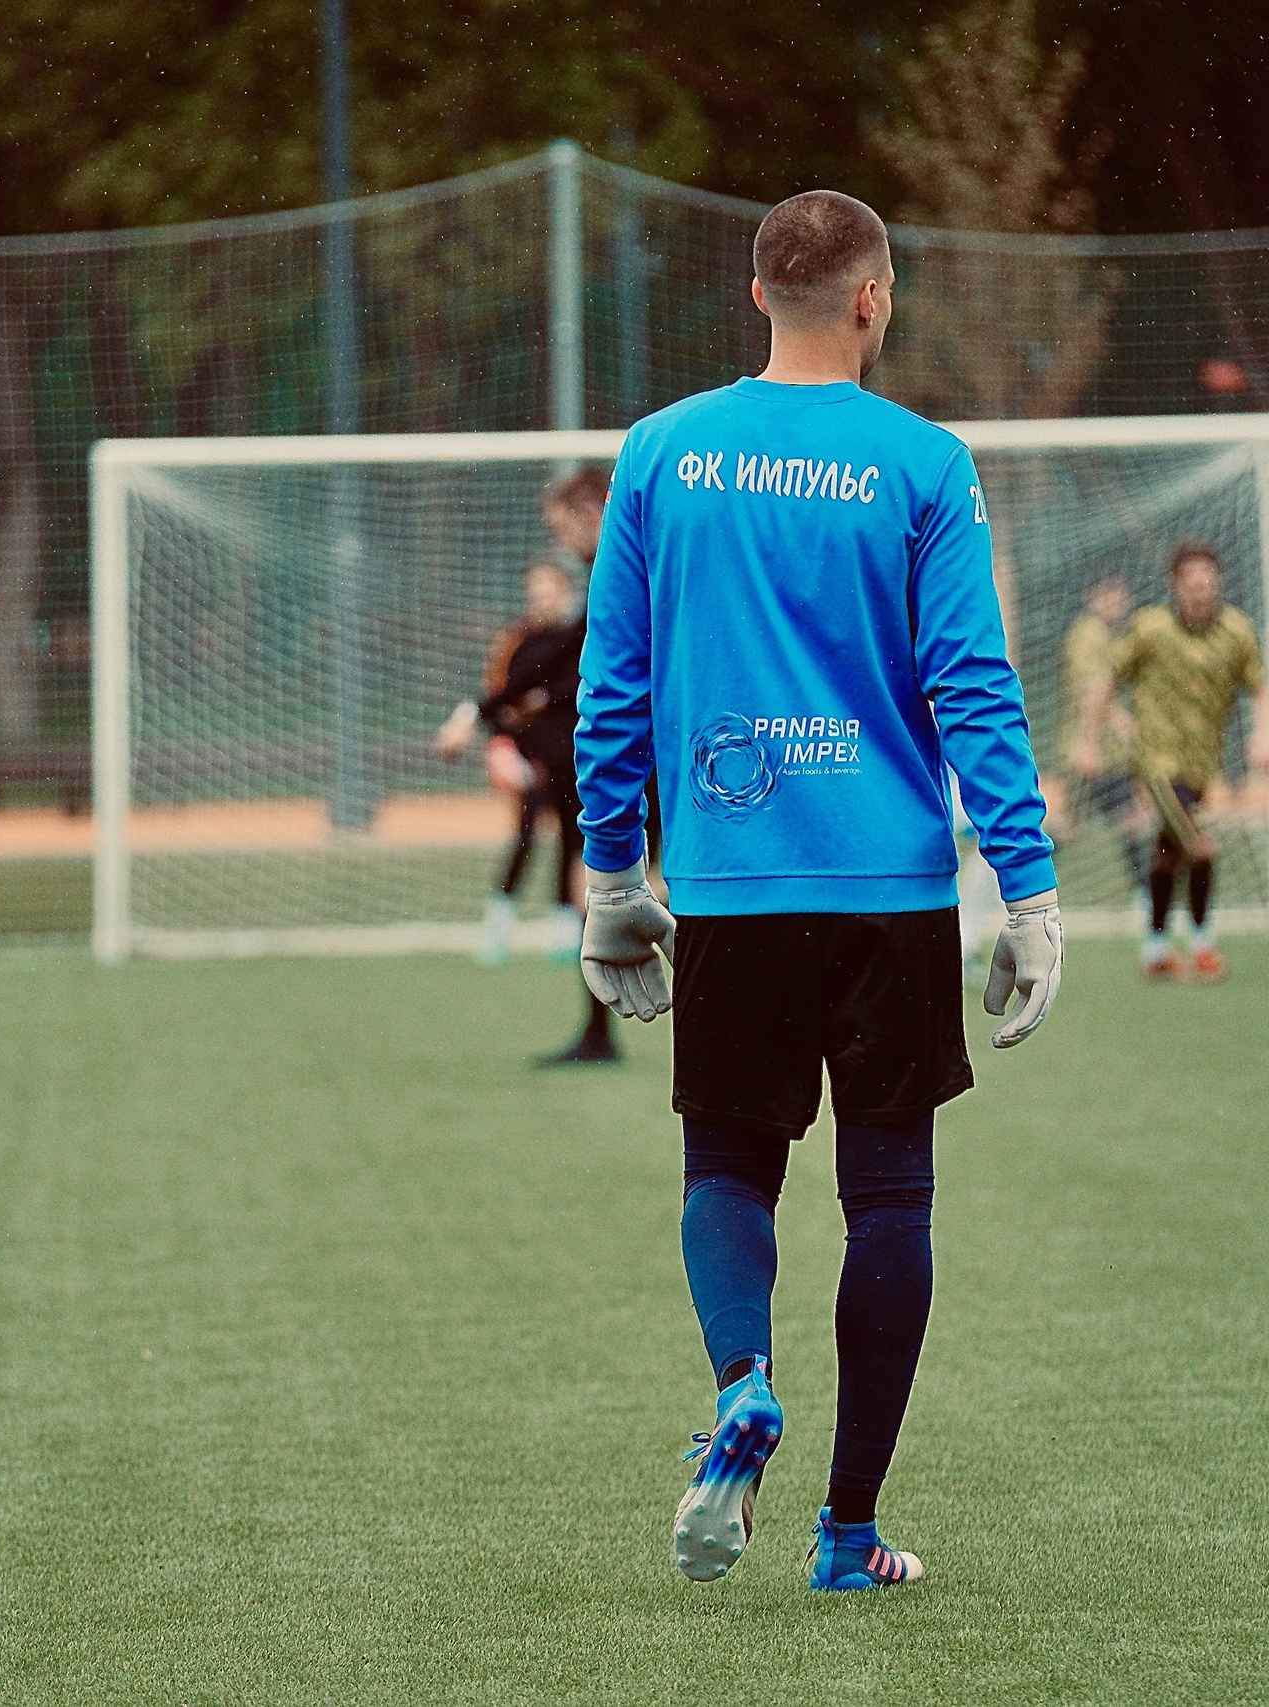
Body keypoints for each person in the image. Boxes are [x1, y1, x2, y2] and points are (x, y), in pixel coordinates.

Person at [573, 190, 1062, 1592]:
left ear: (753, 292)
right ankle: (845, 1534)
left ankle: (742, 1381)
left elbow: (616, 685)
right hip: (885, 889)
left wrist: (616, 872)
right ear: (872, 298)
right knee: (888, 1199)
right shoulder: (922, 461)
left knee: (728, 1166)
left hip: (728, 883)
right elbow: (972, 678)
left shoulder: (662, 454)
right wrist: (1025, 888)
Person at [1072, 544, 1269, 981]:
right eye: (1192, 585)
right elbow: (1107, 678)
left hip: (1201, 764)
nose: (1201, 593)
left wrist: (1263, 735)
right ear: (1175, 587)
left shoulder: (1236, 632)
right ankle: (1203, 944)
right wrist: (1088, 740)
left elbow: (1260, 688)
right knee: (1202, 844)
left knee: (1167, 854)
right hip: (1156, 764)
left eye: (1208, 584)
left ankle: (1156, 948)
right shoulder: (1151, 628)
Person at [436, 560, 586, 969]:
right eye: (535, 589)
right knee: (526, 831)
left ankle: (567, 927)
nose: (541, 597)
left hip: (573, 759)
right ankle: (499, 920)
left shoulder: (579, 637)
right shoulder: (521, 642)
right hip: (530, 756)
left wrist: (542, 700)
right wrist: (480, 721)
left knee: (573, 840)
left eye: (549, 589)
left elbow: (570, 690)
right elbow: (506, 696)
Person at [1057, 575, 1148, 898]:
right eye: (1112, 596)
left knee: (1133, 821)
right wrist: (1120, 723)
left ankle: (1147, 898)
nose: (1119, 603)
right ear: (1093, 597)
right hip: (1088, 752)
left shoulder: (1108, 635)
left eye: (1122, 596)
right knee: (1070, 829)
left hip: (1109, 755)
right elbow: (1091, 690)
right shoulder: (1088, 633)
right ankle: (1018, 880)